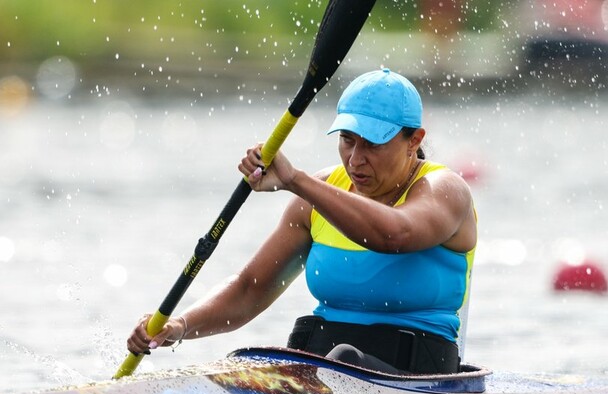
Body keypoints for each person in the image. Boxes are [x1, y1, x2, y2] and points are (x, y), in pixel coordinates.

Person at [127, 68, 477, 375]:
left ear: (414, 140)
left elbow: (394, 234)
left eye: (372, 144)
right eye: (347, 140)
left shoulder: (444, 190)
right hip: (323, 365)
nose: (355, 160)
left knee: (342, 359)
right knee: (245, 361)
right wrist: (179, 326)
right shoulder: (319, 194)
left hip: (417, 377)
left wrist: (296, 180)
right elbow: (251, 287)